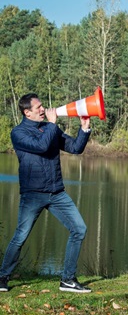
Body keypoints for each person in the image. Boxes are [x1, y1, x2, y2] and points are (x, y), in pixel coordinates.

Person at [0, 93, 92, 293]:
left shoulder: (51, 128)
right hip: (33, 194)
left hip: (57, 193)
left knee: (79, 229)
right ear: (27, 113)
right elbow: (41, 146)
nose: (43, 109)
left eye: (43, 106)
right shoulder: (18, 133)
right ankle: (2, 278)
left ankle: (67, 280)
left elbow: (75, 148)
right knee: (20, 237)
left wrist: (84, 128)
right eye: (39, 107)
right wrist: (51, 124)